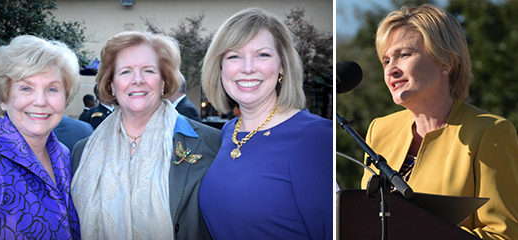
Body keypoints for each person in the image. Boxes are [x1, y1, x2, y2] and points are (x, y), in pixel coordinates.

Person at [360, 4, 518, 239]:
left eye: (403, 55)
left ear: (445, 62)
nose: (391, 69)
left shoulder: (490, 133)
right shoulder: (379, 130)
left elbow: (503, 234)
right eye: (385, 61)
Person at [71, 31, 221, 240]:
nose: (137, 80)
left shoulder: (210, 143)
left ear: (163, 82)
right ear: (112, 85)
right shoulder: (82, 152)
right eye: (125, 72)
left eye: (148, 71)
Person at [198, 8, 333, 240]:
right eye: (234, 56)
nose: (248, 67)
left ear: (282, 66)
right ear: (220, 68)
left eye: (262, 55)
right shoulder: (230, 131)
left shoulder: (314, 137)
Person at [0, 35, 81, 238]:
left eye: (52, 89)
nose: (40, 101)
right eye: (26, 88)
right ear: (5, 97)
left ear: (65, 98)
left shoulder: (64, 155)